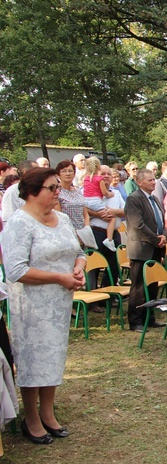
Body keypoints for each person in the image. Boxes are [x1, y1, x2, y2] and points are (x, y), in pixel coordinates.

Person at [2, 167, 86, 444]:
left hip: (59, 302)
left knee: (53, 357)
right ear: (33, 191)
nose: (57, 192)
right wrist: (59, 277)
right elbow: (15, 270)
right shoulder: (18, 223)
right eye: (52, 188)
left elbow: (80, 251)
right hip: (31, 305)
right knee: (32, 360)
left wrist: (78, 268)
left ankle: (48, 413)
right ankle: (32, 418)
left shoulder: (61, 219)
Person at [124, 169, 167, 331]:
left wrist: (164, 235)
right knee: (139, 287)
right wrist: (156, 239)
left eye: (154, 179)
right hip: (141, 249)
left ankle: (149, 318)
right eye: (149, 180)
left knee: (152, 285)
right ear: (139, 182)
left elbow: (161, 222)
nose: (153, 182)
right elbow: (138, 225)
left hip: (155, 247)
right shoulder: (134, 199)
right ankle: (135, 321)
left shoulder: (154, 199)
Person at [89, 165, 126, 286]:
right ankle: (93, 300)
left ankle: (109, 297)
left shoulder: (115, 193)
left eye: (108, 174)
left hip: (114, 234)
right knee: (93, 267)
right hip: (97, 233)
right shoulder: (89, 191)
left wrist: (114, 212)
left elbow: (126, 210)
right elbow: (83, 209)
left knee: (114, 265)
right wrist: (97, 214)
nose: (106, 176)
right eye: (103, 173)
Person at [82, 156, 117, 252]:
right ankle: (109, 240)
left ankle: (87, 233)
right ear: (98, 167)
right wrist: (110, 194)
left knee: (88, 217)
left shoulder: (86, 179)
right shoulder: (99, 179)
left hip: (86, 201)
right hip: (95, 201)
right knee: (112, 219)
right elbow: (104, 193)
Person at [55, 160, 91, 233]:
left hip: (83, 232)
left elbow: (86, 215)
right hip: (68, 232)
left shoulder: (78, 191)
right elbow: (59, 217)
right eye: (64, 171)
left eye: (70, 171)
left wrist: (87, 229)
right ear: (58, 175)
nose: (67, 174)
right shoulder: (57, 192)